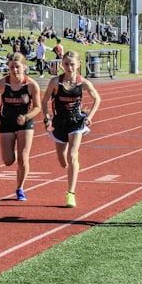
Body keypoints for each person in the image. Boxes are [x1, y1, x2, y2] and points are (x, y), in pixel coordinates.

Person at [41, 51, 101, 208]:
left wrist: (90, 116)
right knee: (63, 161)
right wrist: (47, 117)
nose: (69, 67)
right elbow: (45, 99)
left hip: (76, 122)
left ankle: (71, 193)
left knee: (73, 155)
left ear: (78, 65)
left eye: (72, 64)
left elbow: (97, 98)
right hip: (60, 122)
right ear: (62, 64)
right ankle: (70, 170)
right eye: (66, 64)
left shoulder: (84, 83)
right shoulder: (56, 82)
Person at [0, 52, 43, 201]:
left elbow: (38, 107)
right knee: (8, 160)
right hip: (6, 121)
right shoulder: (1, 84)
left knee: (23, 158)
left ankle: (20, 188)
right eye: (12, 67)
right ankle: (16, 156)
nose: (15, 70)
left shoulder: (31, 85)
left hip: (24, 122)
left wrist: (26, 117)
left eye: (18, 67)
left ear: (24, 67)